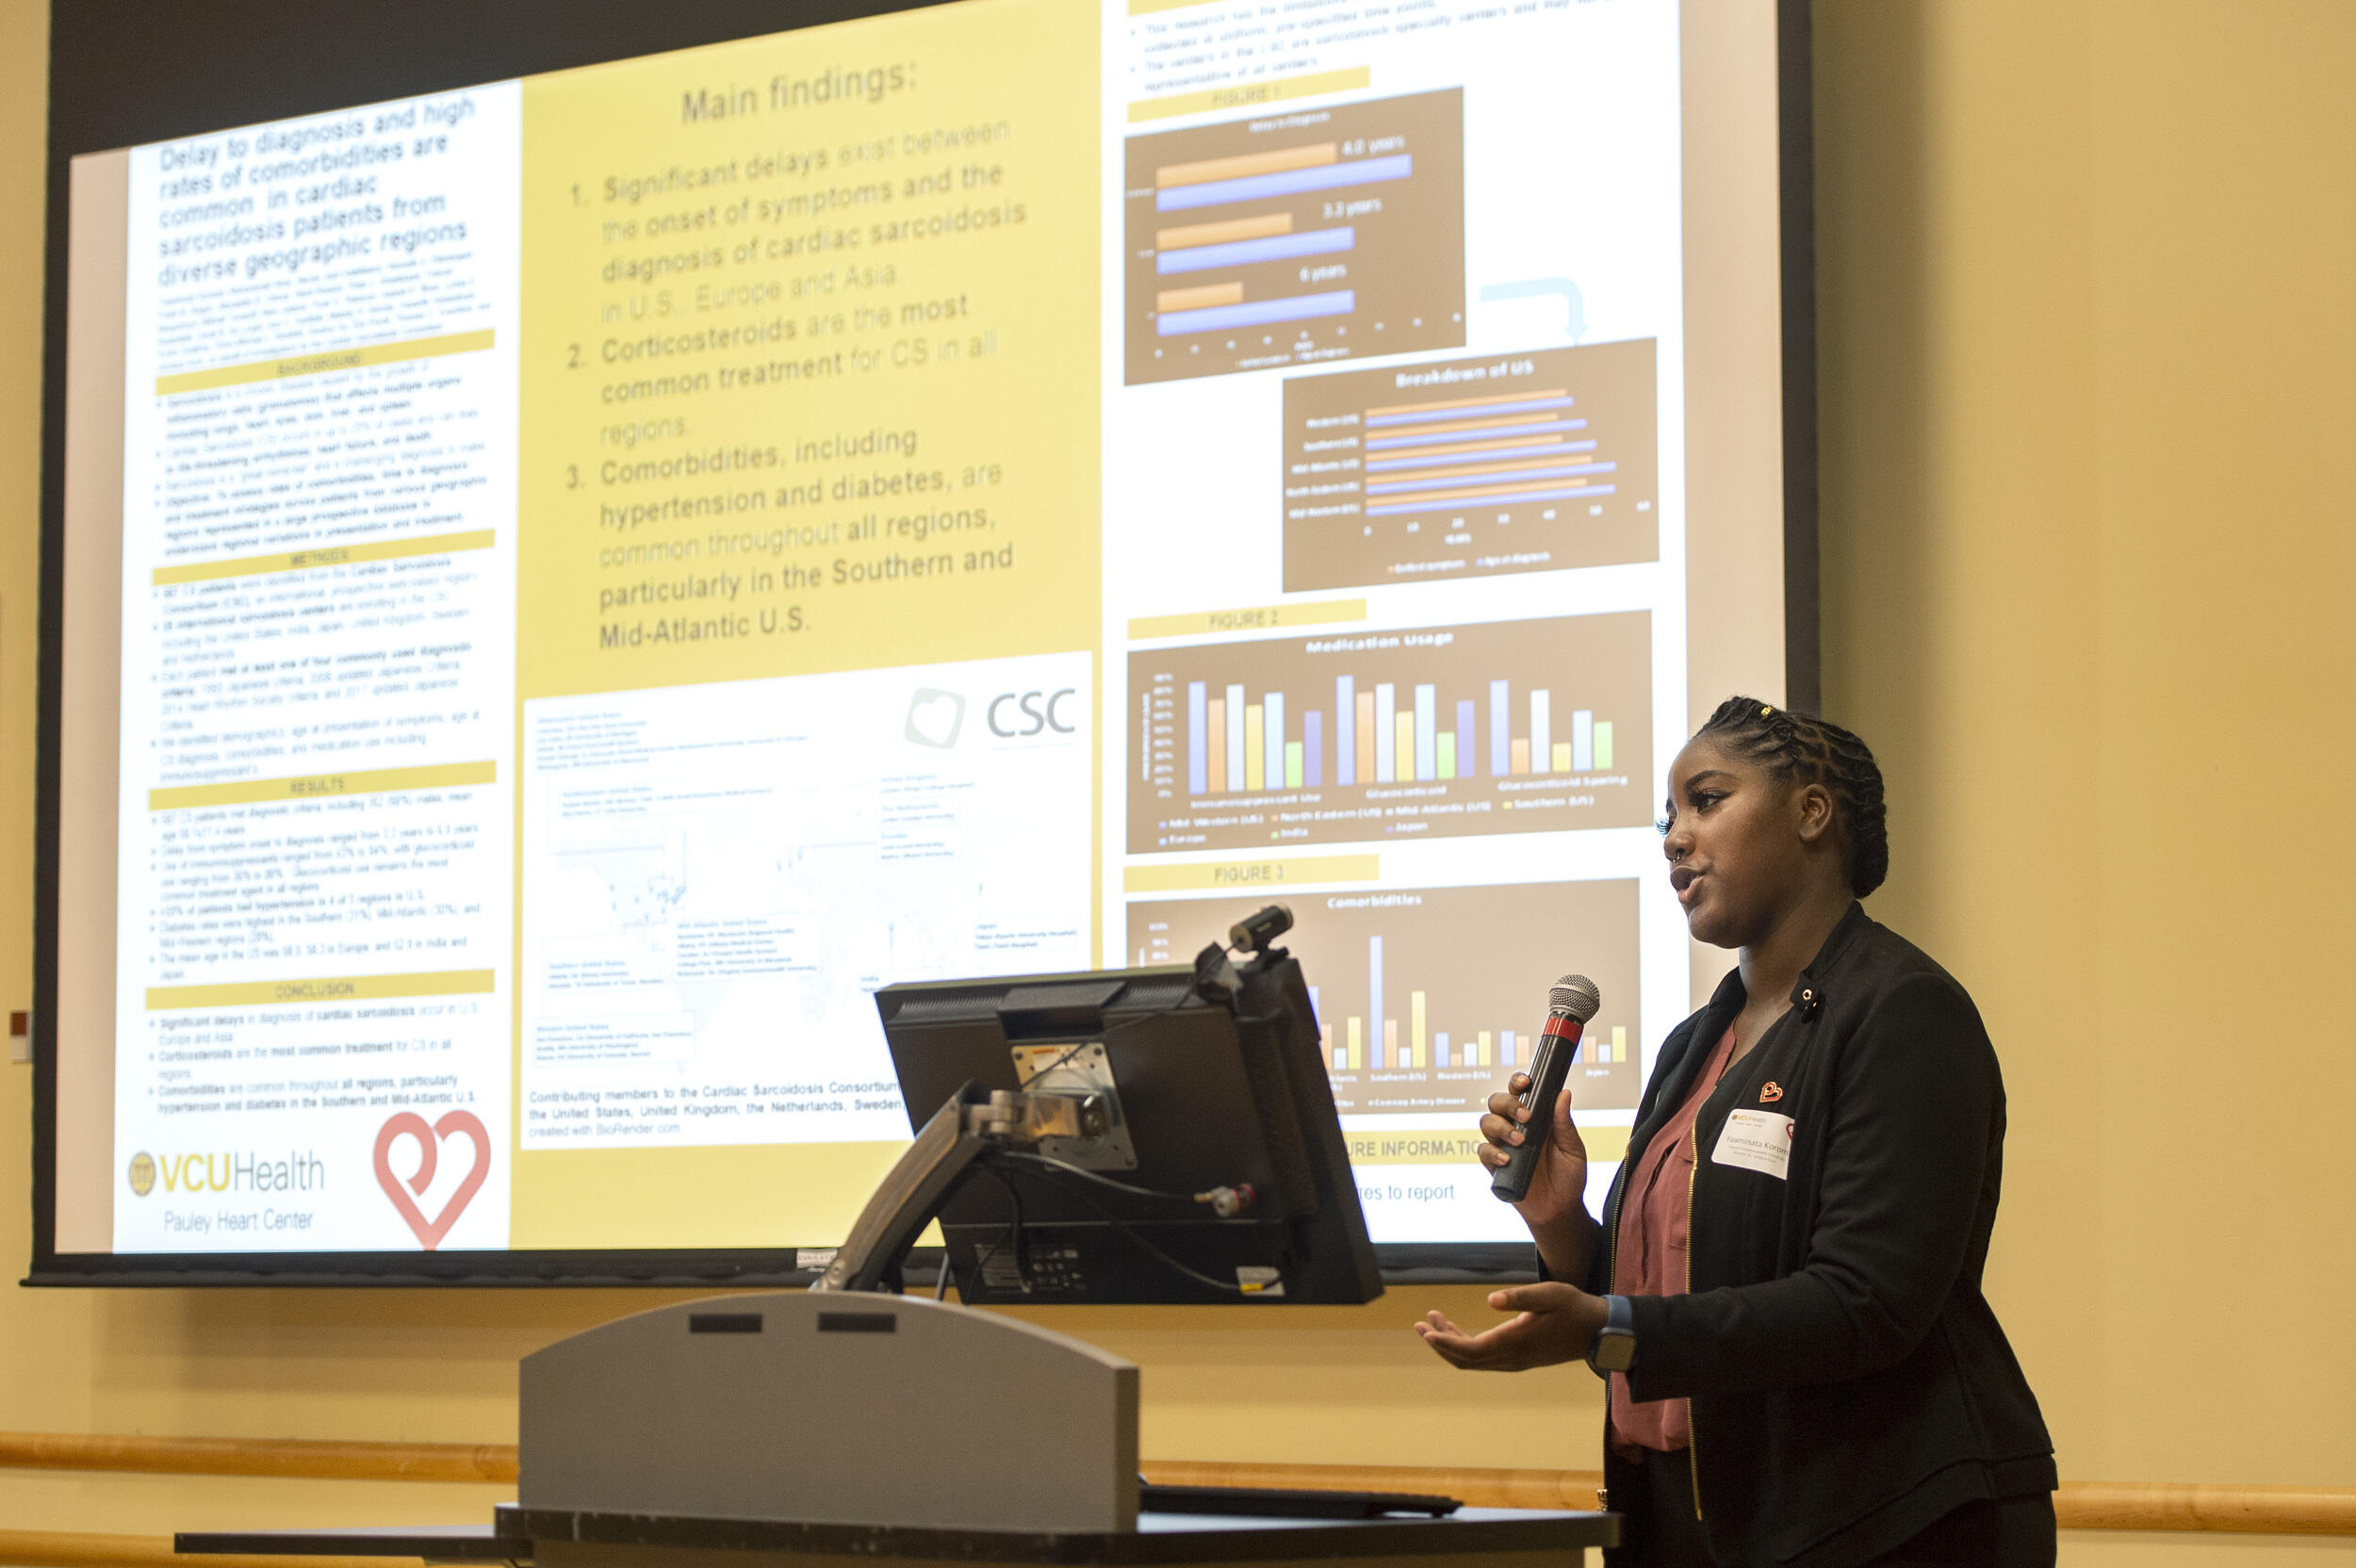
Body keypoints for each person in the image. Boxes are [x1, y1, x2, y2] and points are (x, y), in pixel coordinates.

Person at [1415, 699, 2056, 1567]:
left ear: (1811, 813)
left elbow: (1866, 1304)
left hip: (1886, 1520)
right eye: (1667, 819)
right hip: (1691, 1517)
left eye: (1707, 800)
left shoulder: (1903, 1010)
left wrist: (1614, 1328)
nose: (1675, 839)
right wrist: (1560, 1221)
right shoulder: (1694, 1044)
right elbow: (1675, 1288)